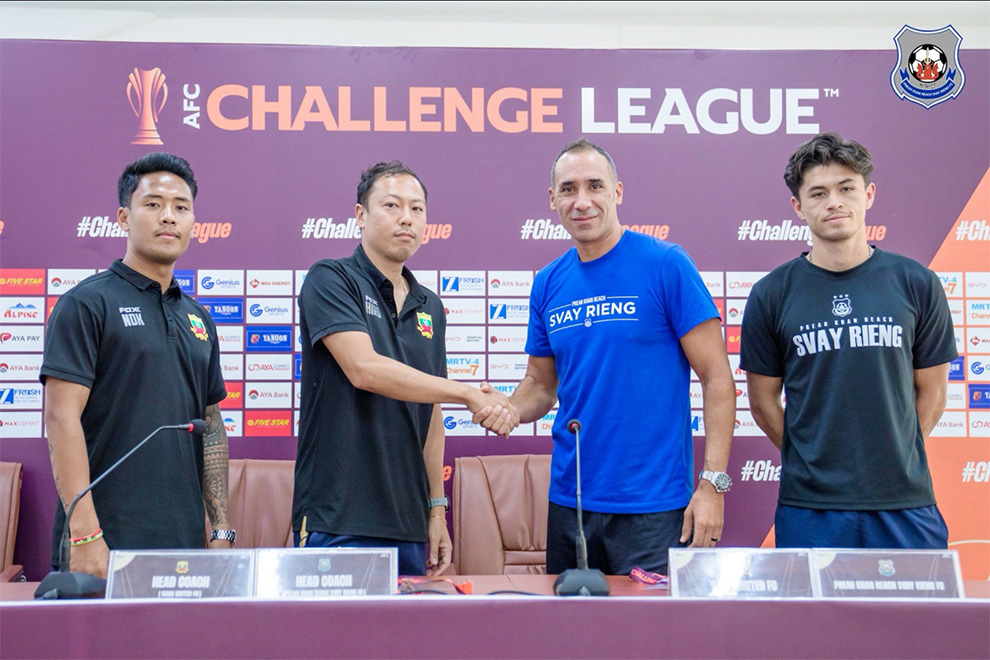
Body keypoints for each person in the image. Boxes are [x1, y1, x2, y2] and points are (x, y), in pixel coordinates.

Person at [476, 139, 735, 575]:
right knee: (570, 621)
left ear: (617, 192)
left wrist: (712, 484)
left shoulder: (666, 264)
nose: (582, 201)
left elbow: (717, 377)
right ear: (553, 199)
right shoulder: (548, 282)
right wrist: (508, 409)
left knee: (649, 622)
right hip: (571, 502)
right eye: (568, 189)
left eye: (594, 186)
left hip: (652, 505)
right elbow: (540, 384)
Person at [293, 161, 514, 576]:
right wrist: (467, 392)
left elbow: (431, 416)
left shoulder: (430, 306)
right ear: (360, 215)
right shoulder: (330, 278)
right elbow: (364, 369)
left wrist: (436, 511)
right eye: (392, 205)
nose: (406, 218)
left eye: (416, 209)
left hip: (408, 522)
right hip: (337, 517)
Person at [740, 133, 956, 549]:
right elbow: (763, 403)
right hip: (809, 507)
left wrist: (894, 455)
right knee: (808, 599)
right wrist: (810, 459)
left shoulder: (916, 283)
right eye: (818, 193)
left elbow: (932, 393)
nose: (834, 202)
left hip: (903, 500)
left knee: (919, 596)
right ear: (798, 206)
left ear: (868, 194)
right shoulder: (771, 294)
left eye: (846, 189)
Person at [41, 152, 233, 579]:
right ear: (123, 218)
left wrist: (221, 527)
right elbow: (60, 418)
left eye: (181, 207)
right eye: (153, 204)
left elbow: (211, 423)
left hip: (183, 544)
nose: (169, 216)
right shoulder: (86, 304)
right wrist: (85, 535)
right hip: (104, 542)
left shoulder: (199, 318)